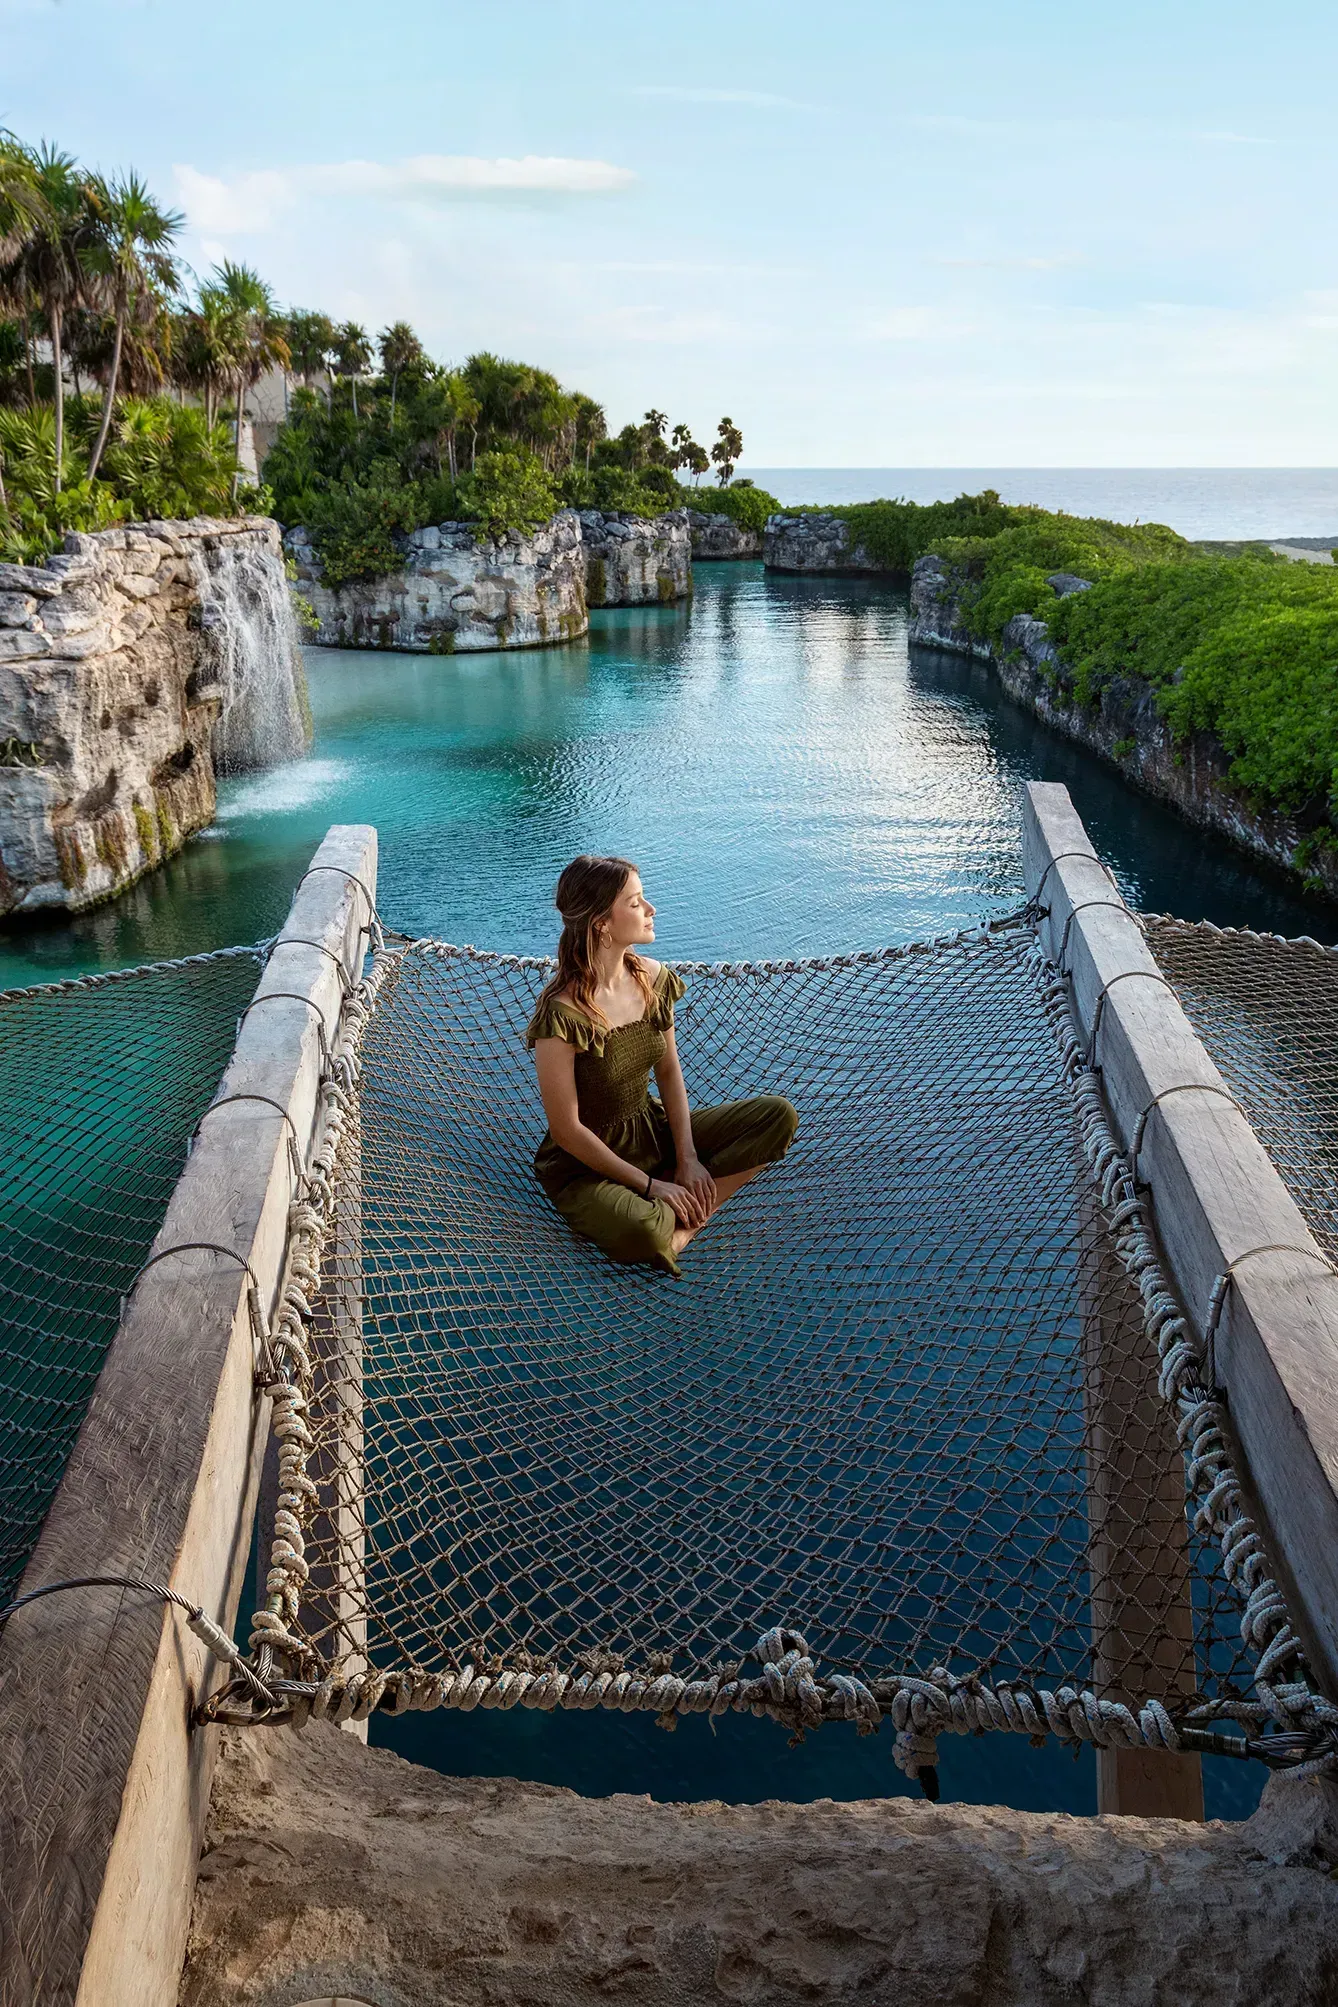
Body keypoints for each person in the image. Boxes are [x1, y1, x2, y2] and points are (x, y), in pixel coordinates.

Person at [526, 855, 798, 1276]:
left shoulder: (651, 977)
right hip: (588, 1165)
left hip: (653, 1133)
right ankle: (679, 1226)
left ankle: (687, 1210)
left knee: (778, 1117)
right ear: (601, 922)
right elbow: (567, 1130)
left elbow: (669, 1072)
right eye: (635, 903)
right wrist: (651, 1186)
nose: (651, 910)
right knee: (645, 1233)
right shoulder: (561, 1016)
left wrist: (687, 1159)